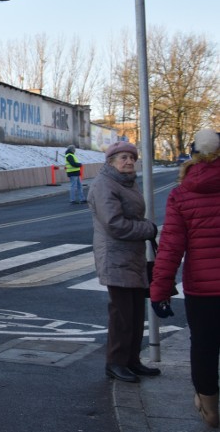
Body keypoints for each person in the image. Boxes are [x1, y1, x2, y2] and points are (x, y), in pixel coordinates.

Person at [150, 129, 220, 428]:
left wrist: (160, 290)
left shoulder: (181, 193)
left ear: (192, 156)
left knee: (204, 346)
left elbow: (171, 248)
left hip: (202, 289)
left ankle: (209, 407)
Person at [87, 140, 160, 383]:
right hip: (115, 256)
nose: (129, 161)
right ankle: (115, 363)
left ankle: (132, 360)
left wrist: (145, 229)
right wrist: (147, 229)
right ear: (111, 162)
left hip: (133, 257)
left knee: (137, 313)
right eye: (123, 158)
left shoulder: (126, 182)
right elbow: (114, 224)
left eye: (132, 157)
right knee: (122, 314)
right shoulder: (104, 185)